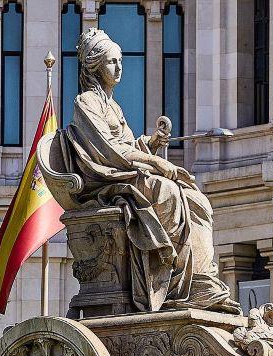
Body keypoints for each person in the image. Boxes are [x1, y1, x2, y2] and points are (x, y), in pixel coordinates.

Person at [56, 28, 241, 314]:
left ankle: (199, 280)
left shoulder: (113, 106)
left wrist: (151, 144)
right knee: (169, 193)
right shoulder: (87, 103)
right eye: (111, 62)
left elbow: (127, 146)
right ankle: (172, 282)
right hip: (107, 181)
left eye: (120, 61)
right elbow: (108, 152)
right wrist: (157, 162)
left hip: (128, 174)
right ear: (94, 66)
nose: (118, 68)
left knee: (197, 200)